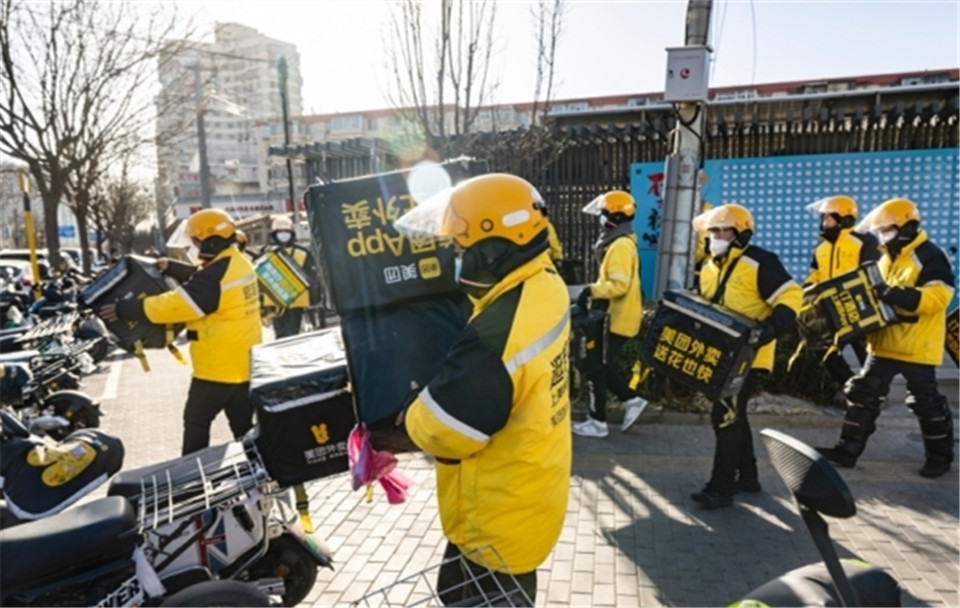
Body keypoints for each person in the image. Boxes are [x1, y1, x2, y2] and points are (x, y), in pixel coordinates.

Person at [397, 173, 571, 606]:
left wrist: (406, 417)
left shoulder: (500, 330)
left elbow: (444, 431)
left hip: (496, 523)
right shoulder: (543, 281)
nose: (456, 259)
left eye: (461, 250)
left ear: (494, 248)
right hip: (529, 497)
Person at [98, 209, 262, 456]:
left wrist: (126, 309)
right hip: (243, 362)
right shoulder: (236, 261)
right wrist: (173, 268)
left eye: (196, 241)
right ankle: (258, 468)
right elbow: (205, 280)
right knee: (242, 425)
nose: (194, 247)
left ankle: (192, 475)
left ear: (211, 240)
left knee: (196, 421)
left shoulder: (217, 274)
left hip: (218, 367)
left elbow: (177, 305)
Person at [818, 198, 955, 478]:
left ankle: (940, 457)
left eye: (886, 230)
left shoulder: (930, 255)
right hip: (883, 344)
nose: (882, 236)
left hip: (916, 345)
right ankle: (847, 450)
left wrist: (894, 295)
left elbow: (938, 297)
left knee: (926, 402)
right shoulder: (886, 257)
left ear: (907, 227)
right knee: (862, 395)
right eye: (880, 231)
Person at [691, 203, 803, 509]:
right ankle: (748, 477)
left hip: (750, 357)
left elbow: (792, 295)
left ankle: (720, 488)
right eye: (713, 231)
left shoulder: (760, 262)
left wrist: (770, 329)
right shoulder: (710, 266)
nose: (716, 237)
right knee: (734, 416)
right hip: (721, 355)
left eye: (723, 231)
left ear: (741, 233)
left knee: (725, 417)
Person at [572, 190, 648, 438]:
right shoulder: (620, 241)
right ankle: (630, 400)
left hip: (616, 319)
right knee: (599, 366)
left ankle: (599, 422)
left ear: (615, 216)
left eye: (603, 214)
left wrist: (590, 290)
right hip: (616, 317)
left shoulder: (620, 246)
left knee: (595, 368)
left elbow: (619, 285)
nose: (601, 219)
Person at [802, 195, 880, 390]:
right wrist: (807, 289)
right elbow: (815, 273)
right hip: (828, 307)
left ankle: (874, 392)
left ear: (844, 218)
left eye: (830, 217)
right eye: (824, 217)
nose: (825, 222)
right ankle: (849, 385)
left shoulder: (864, 240)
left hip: (858, 306)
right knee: (824, 348)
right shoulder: (820, 247)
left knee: (866, 351)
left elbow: (872, 271)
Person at [263, 215, 321, 339]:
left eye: (286, 231)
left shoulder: (303, 252)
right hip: (276, 302)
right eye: (280, 232)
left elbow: (312, 278)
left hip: (295, 301)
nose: (283, 235)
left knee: (293, 333)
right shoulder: (266, 252)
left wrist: (313, 301)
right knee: (281, 335)